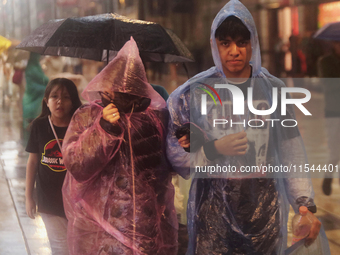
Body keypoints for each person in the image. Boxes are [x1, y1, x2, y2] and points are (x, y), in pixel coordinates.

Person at [166, 1, 330, 254]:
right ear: (214, 45)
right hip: (212, 213)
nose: (234, 51)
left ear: (252, 43)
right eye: (226, 43)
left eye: (242, 43)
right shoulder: (194, 93)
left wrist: (303, 206)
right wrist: (213, 149)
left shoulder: (273, 89)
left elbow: (291, 150)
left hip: (264, 212)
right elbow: (177, 156)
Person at [61, 38, 178, 255]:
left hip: (148, 233)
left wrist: (185, 142)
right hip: (102, 234)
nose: (119, 91)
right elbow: (76, 165)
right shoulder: (88, 115)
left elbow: (170, 166)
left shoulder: (156, 118)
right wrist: (103, 129)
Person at [25, 78, 82, 255]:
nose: (59, 101)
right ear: (46, 101)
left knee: (78, 246)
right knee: (60, 246)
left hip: (77, 199)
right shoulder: (39, 126)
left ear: (73, 101)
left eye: (66, 97)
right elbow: (33, 162)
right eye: (54, 96)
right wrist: (29, 196)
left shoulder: (80, 127)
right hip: (48, 198)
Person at [318, 40, 340, 195]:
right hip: (334, 111)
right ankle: (328, 175)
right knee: (335, 151)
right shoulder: (325, 62)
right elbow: (328, 85)